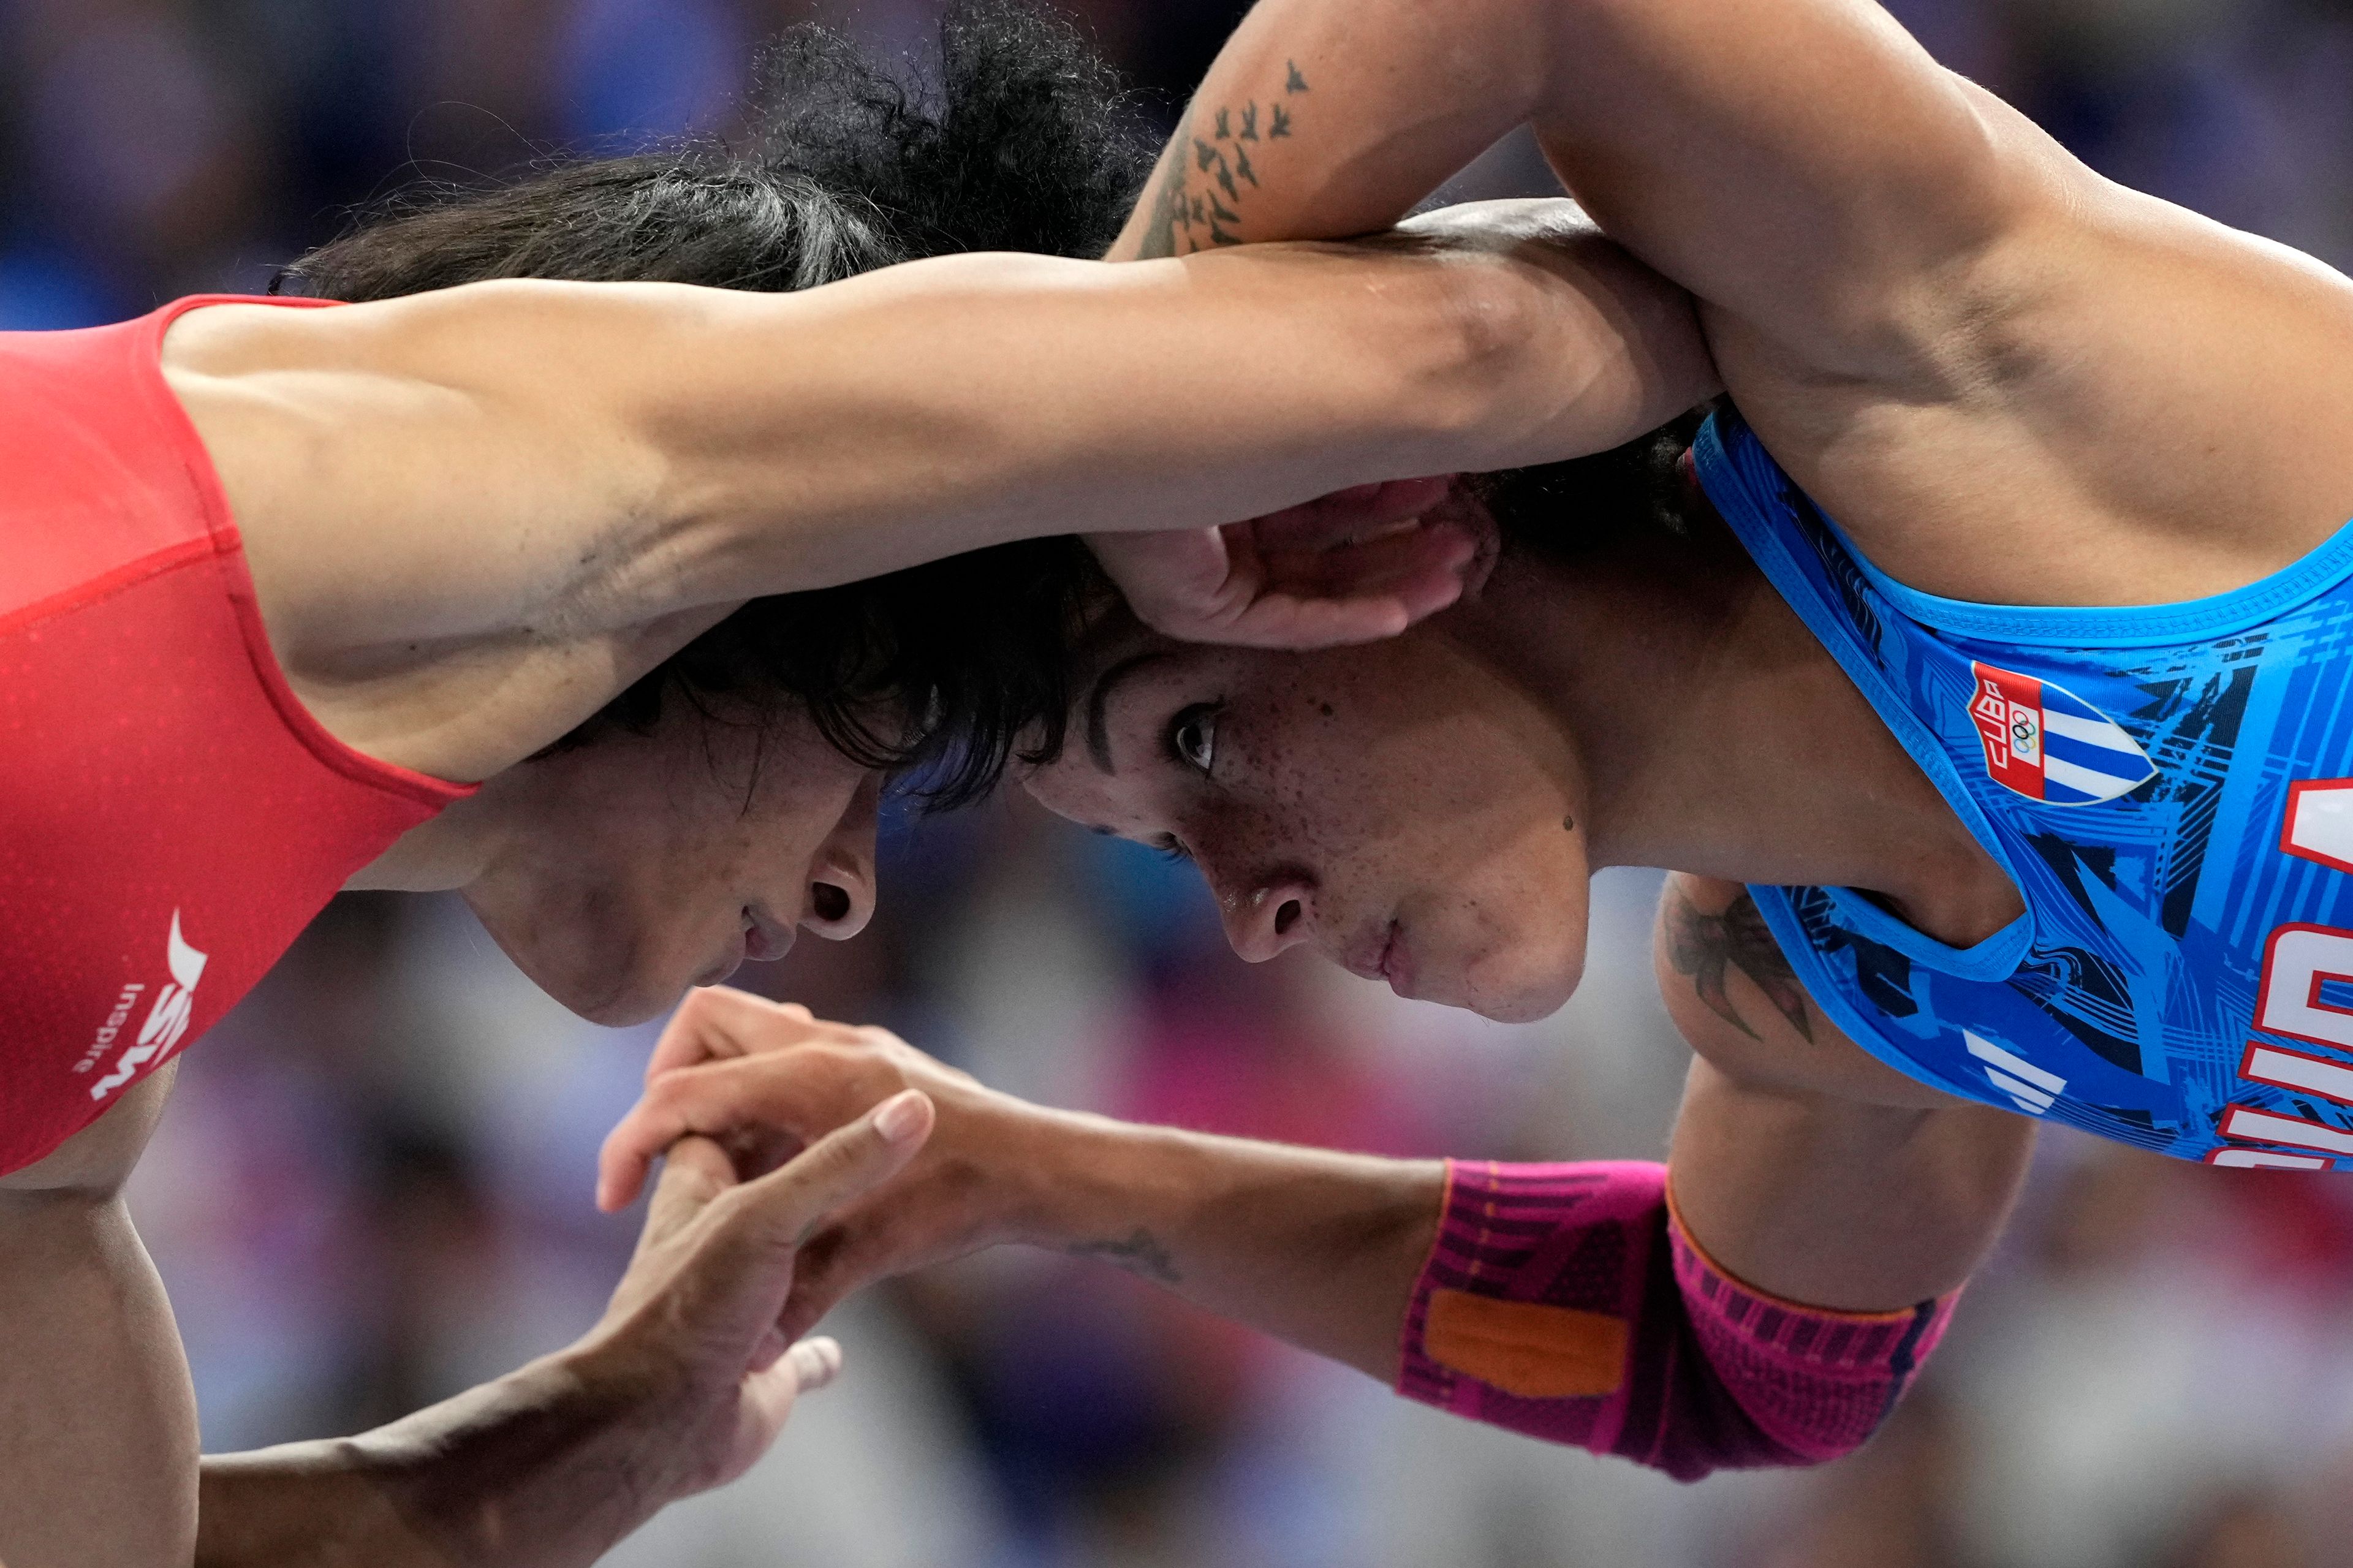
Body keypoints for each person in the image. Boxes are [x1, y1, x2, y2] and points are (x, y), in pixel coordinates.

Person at [593, 0, 2353, 1491]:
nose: (1251, 915)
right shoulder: (1821, 1003)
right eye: (1153, 847)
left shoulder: (1961, 382)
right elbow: (1719, 1366)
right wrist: (996, 1168)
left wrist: (1124, 423)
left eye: (1198, 734)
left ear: (1356, 509)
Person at [0, 9, 1645, 1562]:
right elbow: (1464, 339)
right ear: (789, 561)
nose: (850, 889)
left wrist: (607, 1429)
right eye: (893, 741)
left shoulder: (87, 1086)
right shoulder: (409, 468)